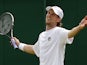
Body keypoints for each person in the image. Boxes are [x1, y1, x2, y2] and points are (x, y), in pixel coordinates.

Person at [13, 6, 87, 65]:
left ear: (58, 19)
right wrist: (19, 45)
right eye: (48, 13)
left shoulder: (59, 32)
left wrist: (79, 27)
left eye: (52, 14)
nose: (49, 15)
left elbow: (70, 33)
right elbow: (35, 49)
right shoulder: (42, 35)